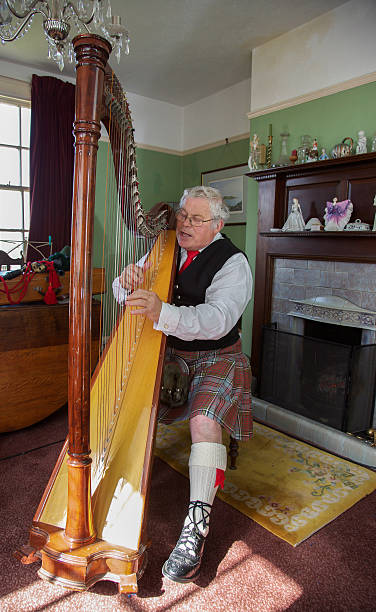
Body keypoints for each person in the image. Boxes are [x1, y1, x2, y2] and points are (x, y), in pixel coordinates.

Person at [112, 185, 253, 584]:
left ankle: (197, 524)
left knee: (204, 422)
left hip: (216, 355)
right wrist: (127, 280)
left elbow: (217, 320)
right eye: (182, 215)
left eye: (196, 219)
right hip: (167, 351)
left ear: (218, 224)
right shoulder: (167, 247)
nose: (185, 224)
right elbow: (125, 294)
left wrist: (162, 311)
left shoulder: (233, 263)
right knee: (126, 401)